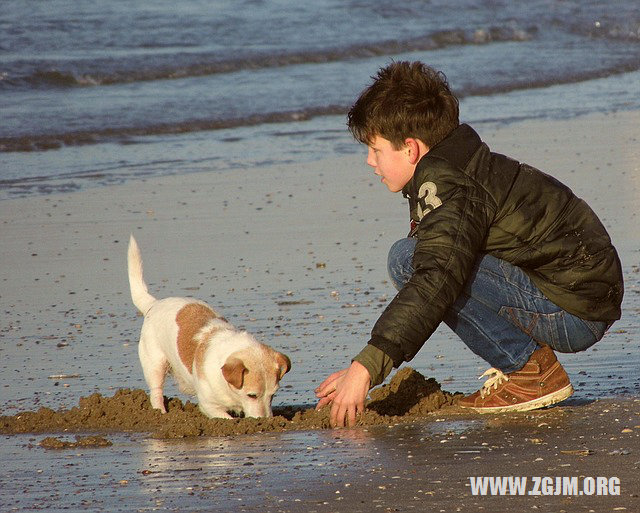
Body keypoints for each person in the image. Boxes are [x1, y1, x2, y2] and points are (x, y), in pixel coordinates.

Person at [314, 61, 623, 428]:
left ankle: (529, 372)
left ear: (410, 148)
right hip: (582, 296)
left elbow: (437, 278)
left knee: (408, 260)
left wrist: (366, 366)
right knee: (423, 257)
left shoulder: (448, 185)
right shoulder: (460, 164)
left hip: (573, 312)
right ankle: (528, 367)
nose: (369, 161)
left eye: (376, 149)